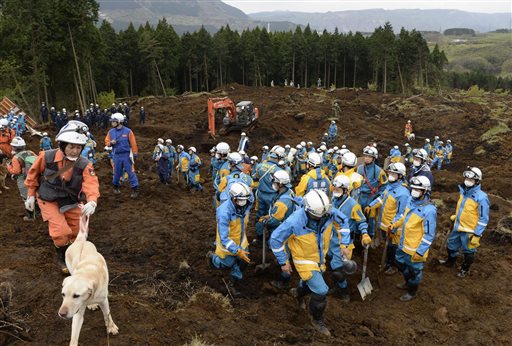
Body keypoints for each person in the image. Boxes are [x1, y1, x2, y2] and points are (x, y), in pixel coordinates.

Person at [270, 189, 350, 336]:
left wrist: (344, 244)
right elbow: (275, 239)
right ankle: (316, 319)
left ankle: (298, 294)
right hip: (304, 260)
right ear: (307, 210)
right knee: (321, 290)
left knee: (310, 283)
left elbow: (343, 221)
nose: (320, 218)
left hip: (320, 257)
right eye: (316, 216)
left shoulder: (326, 211)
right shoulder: (295, 221)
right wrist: (283, 262)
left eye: (323, 216)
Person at [24, 122, 99, 273]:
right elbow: (33, 175)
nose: (74, 151)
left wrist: (92, 201)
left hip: (70, 200)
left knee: (79, 232)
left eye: (78, 147)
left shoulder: (84, 164)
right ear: (63, 145)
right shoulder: (47, 157)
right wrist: (30, 195)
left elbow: (91, 183)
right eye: (71, 146)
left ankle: (74, 253)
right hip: (48, 199)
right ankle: (63, 257)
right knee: (61, 232)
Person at [388, 176, 436, 301]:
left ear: (425, 191)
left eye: (418, 189)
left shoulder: (429, 210)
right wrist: (395, 224)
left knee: (414, 271)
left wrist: (420, 251)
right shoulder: (410, 200)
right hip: (403, 243)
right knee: (399, 262)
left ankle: (412, 291)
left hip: (415, 249)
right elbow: (404, 216)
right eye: (413, 188)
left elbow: (429, 235)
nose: (414, 191)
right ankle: (407, 281)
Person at [440, 167, 489, 278]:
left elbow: (484, 218)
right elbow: (464, 209)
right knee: (451, 246)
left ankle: (464, 269)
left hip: (470, 230)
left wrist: (477, 234)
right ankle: (450, 261)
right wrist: (456, 217)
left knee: (468, 251)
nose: (468, 181)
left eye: (471, 179)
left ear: (477, 181)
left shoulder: (482, 197)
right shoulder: (463, 192)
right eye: (466, 178)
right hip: (458, 227)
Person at [206, 182, 254, 295]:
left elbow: (251, 197)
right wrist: (236, 250)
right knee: (227, 263)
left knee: (244, 261)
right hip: (228, 243)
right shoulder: (224, 212)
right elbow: (224, 238)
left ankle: (232, 282)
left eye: (245, 199)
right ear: (232, 197)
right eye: (240, 200)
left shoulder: (247, 201)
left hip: (241, 239)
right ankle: (212, 258)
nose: (243, 203)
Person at [365, 162, 410, 274]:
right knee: (388, 245)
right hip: (385, 224)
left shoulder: (403, 193)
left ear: (400, 176)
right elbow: (381, 199)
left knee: (393, 247)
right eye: (390, 173)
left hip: (394, 227)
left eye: (394, 174)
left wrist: (393, 226)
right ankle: (387, 263)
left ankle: (393, 266)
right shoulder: (390, 187)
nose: (391, 175)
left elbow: (401, 214)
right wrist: (371, 206)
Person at [330, 175, 369, 301]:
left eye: (339, 189)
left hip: (345, 243)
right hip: (330, 239)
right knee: (330, 265)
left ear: (346, 190)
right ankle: (336, 285)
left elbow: (362, 221)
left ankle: (344, 292)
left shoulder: (353, 205)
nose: (335, 190)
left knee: (337, 270)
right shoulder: (333, 200)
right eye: (334, 188)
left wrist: (365, 234)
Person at [253, 146, 285, 244]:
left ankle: (259, 237)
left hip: (260, 195)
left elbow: (255, 178)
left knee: (260, 216)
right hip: (272, 196)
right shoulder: (279, 170)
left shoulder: (260, 166)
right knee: (272, 217)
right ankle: (272, 240)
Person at [105, 113, 140, 198]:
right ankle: (116, 187)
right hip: (116, 155)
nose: (112, 123)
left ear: (119, 122)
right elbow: (106, 141)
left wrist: (135, 153)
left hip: (126, 155)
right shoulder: (111, 132)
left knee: (130, 172)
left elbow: (133, 143)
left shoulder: (128, 131)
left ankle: (135, 188)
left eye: (114, 121)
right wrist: (110, 143)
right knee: (116, 172)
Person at [357, 146, 388, 238]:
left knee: (371, 218)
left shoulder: (379, 171)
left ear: (374, 158)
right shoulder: (359, 169)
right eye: (366, 156)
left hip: (371, 198)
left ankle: (371, 235)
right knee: (359, 216)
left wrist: (378, 197)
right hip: (361, 196)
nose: (367, 158)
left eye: (369, 157)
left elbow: (384, 186)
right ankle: (359, 234)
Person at [7, 137, 37, 221]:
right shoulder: (30, 152)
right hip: (34, 177)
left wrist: (9, 167)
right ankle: (38, 212)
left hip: (22, 179)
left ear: (14, 147)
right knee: (36, 195)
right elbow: (38, 161)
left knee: (26, 197)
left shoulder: (16, 158)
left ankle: (30, 216)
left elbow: (16, 171)